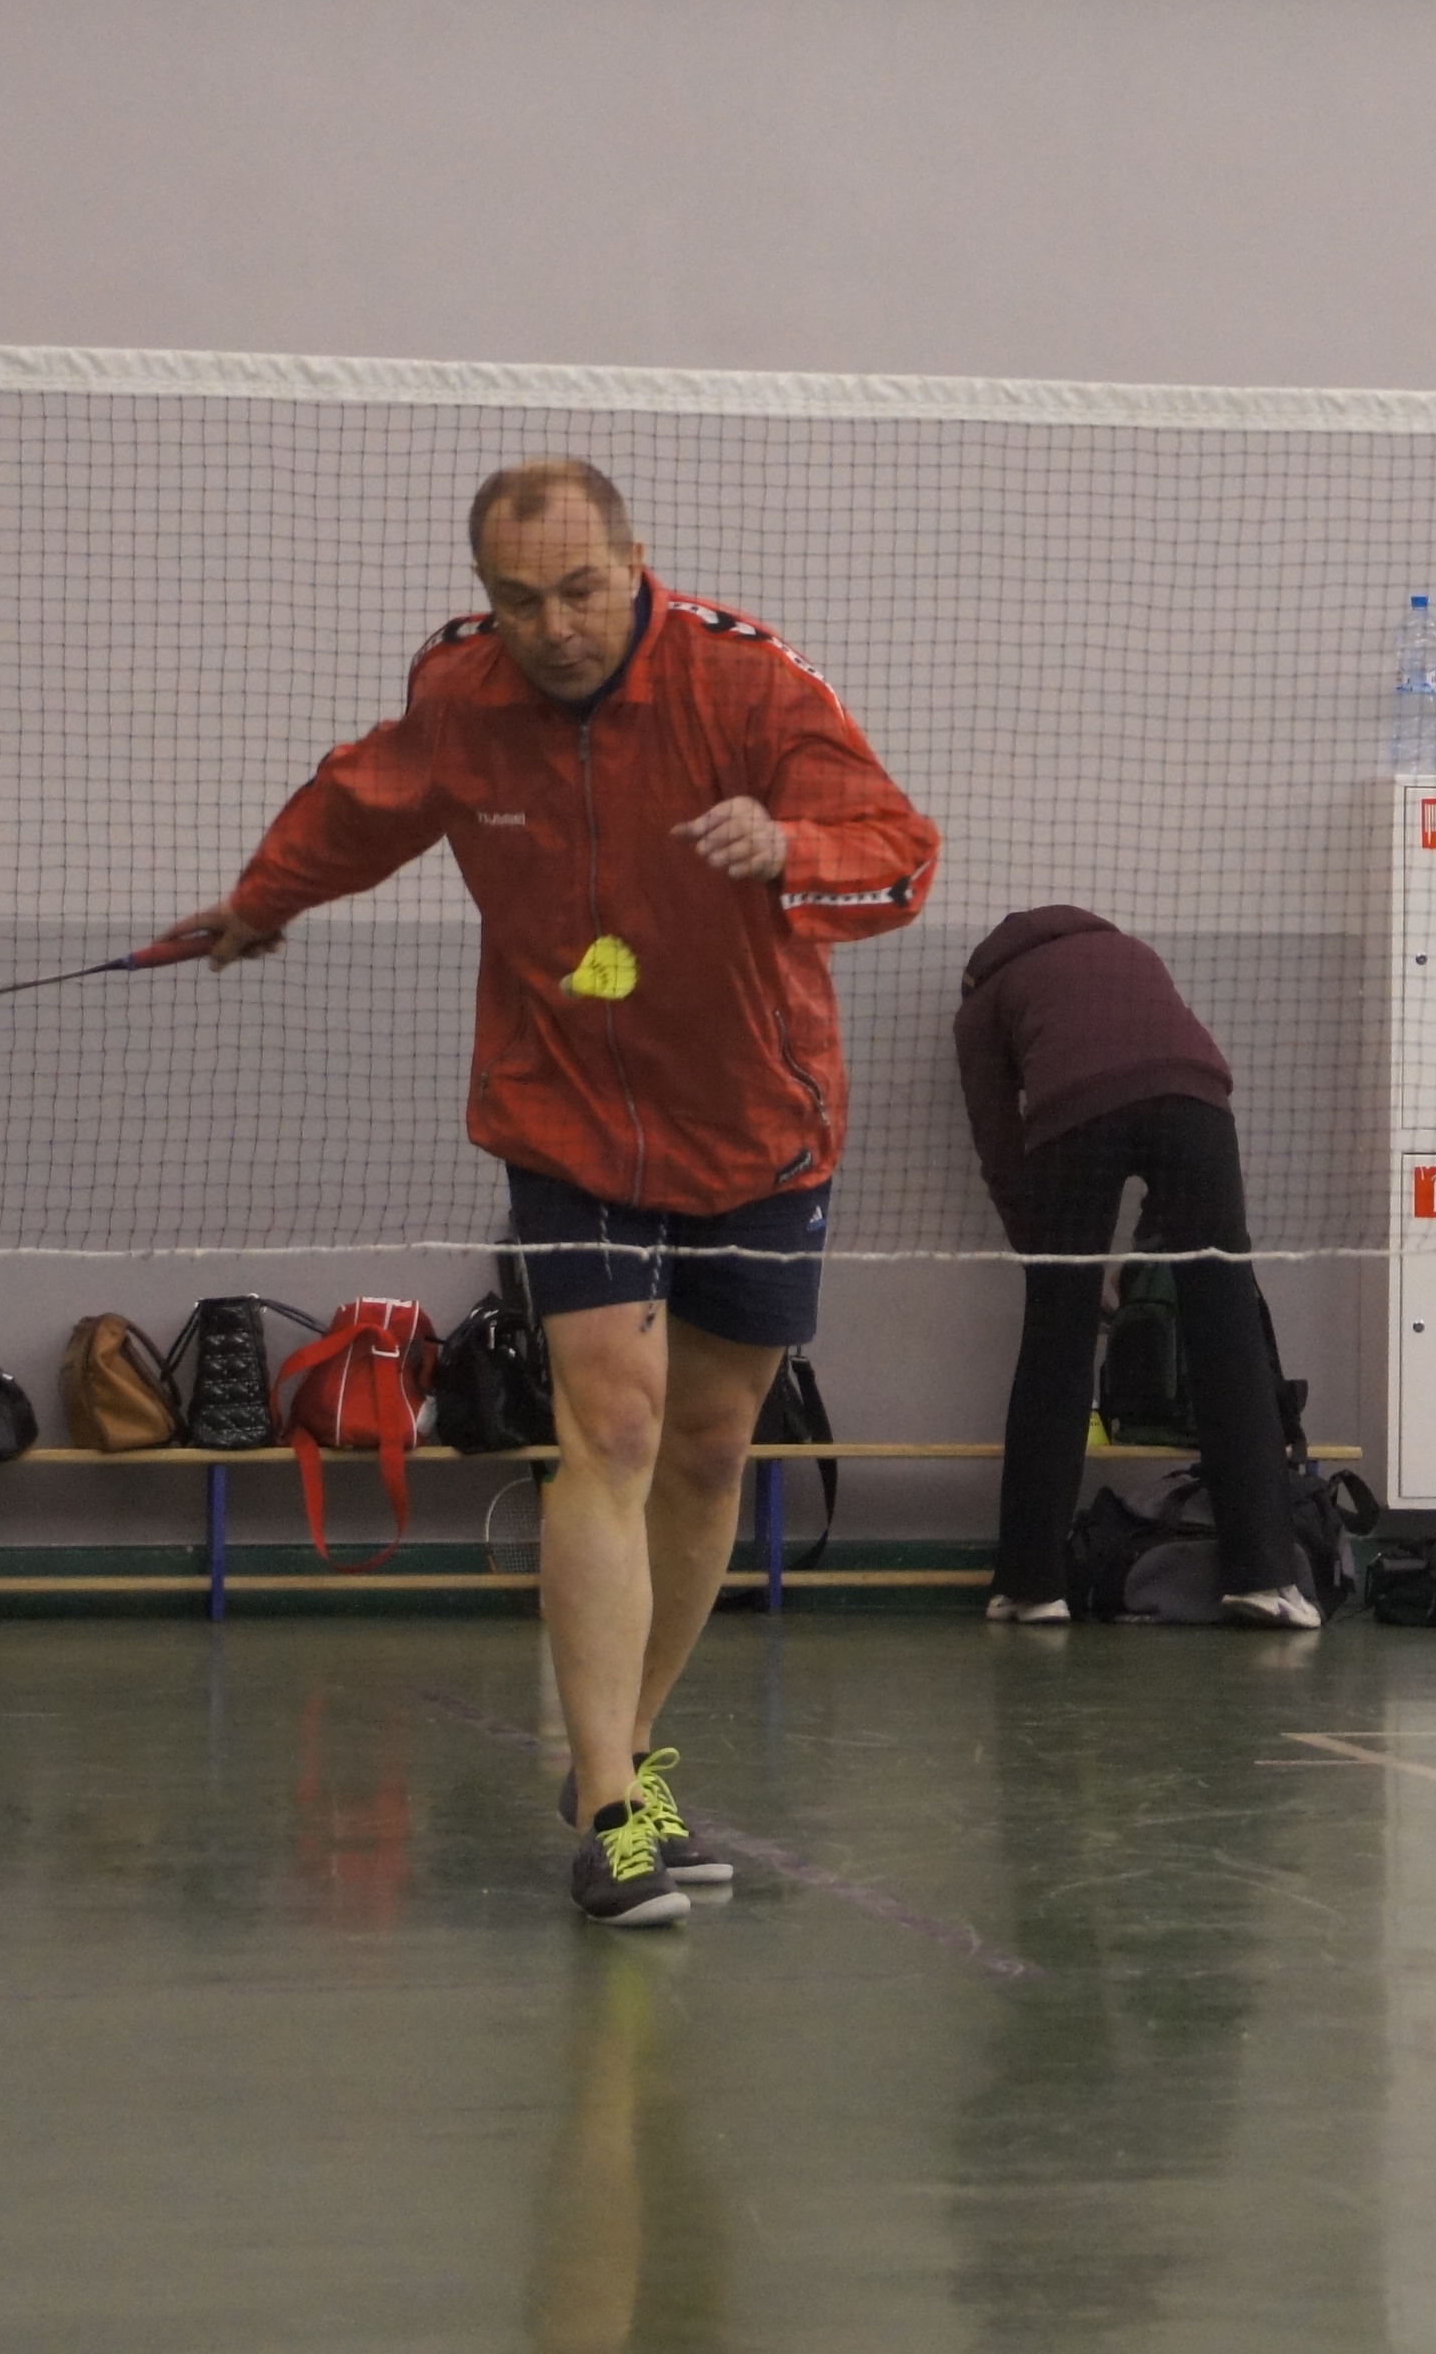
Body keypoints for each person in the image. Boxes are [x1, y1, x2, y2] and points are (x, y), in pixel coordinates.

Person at [177, 458, 939, 1923]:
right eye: (520, 600)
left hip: (759, 1116)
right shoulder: (465, 695)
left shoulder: (748, 684)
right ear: (487, 596)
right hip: (569, 1109)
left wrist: (791, 846)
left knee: (709, 1444)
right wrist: (263, 900)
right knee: (616, 1425)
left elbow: (901, 857)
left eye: (582, 590)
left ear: (637, 562)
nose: (556, 627)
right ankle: (605, 1806)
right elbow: (363, 800)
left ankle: (628, 1753)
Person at [951, 907, 1318, 1628]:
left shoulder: (983, 1001)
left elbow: (999, 1145)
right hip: (1197, 1099)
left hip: (1073, 1114)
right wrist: (1148, 1255)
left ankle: (1032, 1584)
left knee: (1055, 1345)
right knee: (1229, 1331)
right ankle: (1268, 1579)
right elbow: (1153, 1087)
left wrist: (1051, 1264)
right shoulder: (1130, 951)